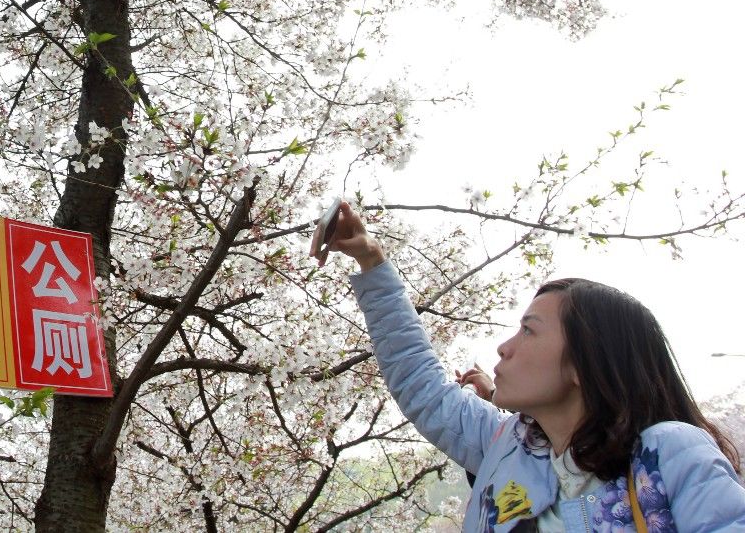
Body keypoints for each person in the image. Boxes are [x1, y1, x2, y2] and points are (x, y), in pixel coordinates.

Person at [315, 201, 745, 531]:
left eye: (529, 331)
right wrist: (371, 261)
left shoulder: (665, 454)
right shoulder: (504, 446)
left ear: (584, 364)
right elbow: (419, 380)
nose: (504, 348)